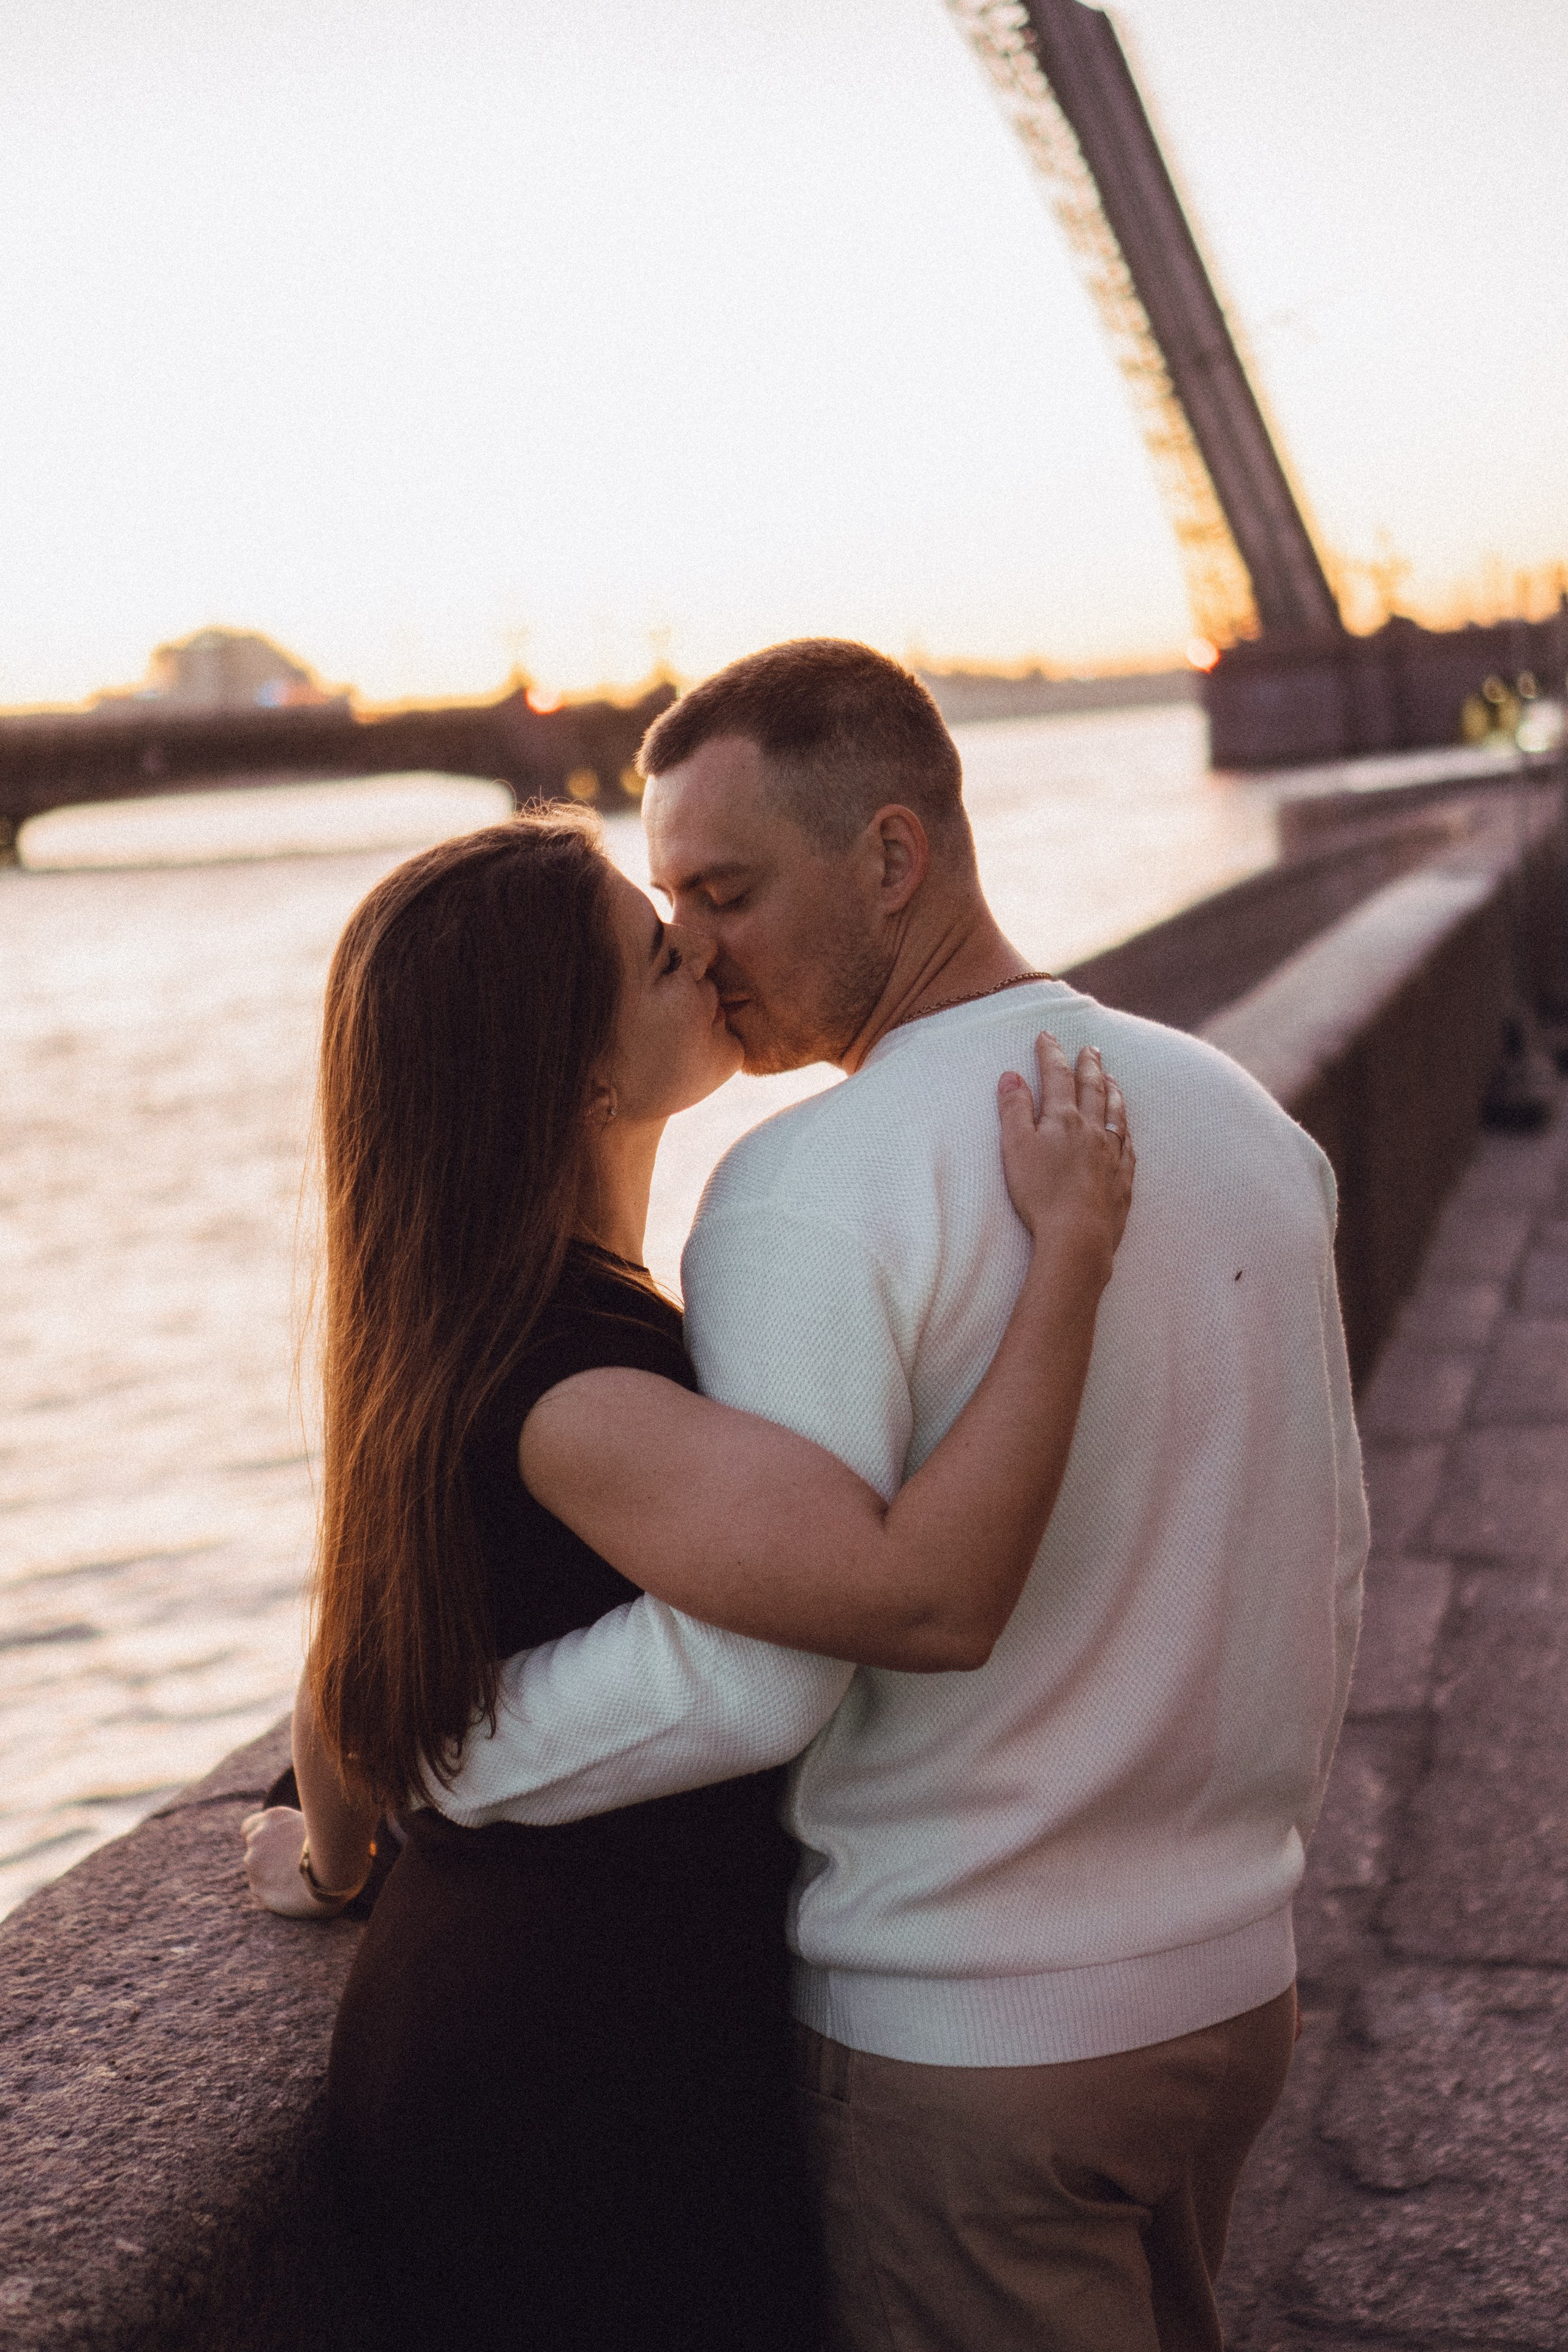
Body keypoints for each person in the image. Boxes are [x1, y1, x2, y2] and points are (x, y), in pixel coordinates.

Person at [418, 640, 1369, 2352]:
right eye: (670, 905)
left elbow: (761, 1666)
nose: (698, 952)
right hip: (1233, 1988)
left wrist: (432, 1745)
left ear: (891, 857)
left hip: (974, 2036)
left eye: (728, 890)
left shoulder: (801, 1191)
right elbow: (1329, 1558)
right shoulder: (1237, 1120)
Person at [241, 802, 1136, 2352]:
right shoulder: (580, 1385)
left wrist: (330, 1864)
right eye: (662, 955)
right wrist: (1067, 1256)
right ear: (576, 1074)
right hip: (579, 2088)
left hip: (521, 2037)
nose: (709, 957)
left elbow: (356, 1672)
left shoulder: (460, 1330)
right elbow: (922, 1593)